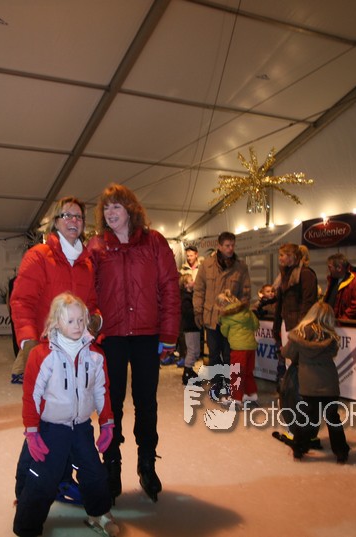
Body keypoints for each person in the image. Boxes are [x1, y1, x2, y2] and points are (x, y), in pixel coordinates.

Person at [87, 183, 180, 503]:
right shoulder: (97, 246)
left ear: (130, 209)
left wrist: (169, 334)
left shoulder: (154, 242)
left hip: (146, 335)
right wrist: (90, 329)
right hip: (110, 336)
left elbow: (169, 287)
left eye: (116, 206)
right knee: (110, 403)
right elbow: (88, 292)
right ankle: (111, 464)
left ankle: (147, 462)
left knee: (146, 402)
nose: (110, 213)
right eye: (106, 208)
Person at [13, 292, 119, 537]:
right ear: (56, 322)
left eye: (81, 320)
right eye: (70, 321)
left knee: (94, 472)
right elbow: (31, 396)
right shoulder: (42, 355)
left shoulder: (95, 355)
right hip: (51, 428)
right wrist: (32, 431)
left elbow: (102, 391)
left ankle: (99, 514)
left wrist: (107, 423)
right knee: (42, 477)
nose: (77, 326)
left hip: (81, 427)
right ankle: (27, 525)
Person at [9, 196, 100, 384]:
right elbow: (22, 302)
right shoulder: (38, 256)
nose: (74, 220)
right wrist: (29, 341)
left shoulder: (87, 264)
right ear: (56, 222)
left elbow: (90, 304)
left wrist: (95, 321)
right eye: (67, 215)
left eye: (79, 217)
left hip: (78, 352)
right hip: (46, 351)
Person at [280, 302, 350, 463]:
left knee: (307, 417)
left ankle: (299, 448)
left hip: (309, 383)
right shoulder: (330, 336)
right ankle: (341, 451)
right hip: (329, 383)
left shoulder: (299, 334)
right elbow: (333, 353)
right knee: (333, 418)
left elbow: (288, 352)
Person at [193, 231, 251, 401]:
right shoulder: (206, 265)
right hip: (211, 318)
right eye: (227, 245)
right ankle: (216, 385)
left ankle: (229, 386)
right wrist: (198, 311)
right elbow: (199, 290)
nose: (230, 248)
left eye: (232, 245)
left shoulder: (240, 267)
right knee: (213, 354)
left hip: (231, 320)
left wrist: (240, 312)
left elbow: (246, 293)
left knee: (229, 355)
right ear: (219, 246)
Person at [273, 243, 318, 390]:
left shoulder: (306, 274)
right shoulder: (284, 275)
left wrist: (301, 327)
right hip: (286, 323)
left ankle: (300, 391)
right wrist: (276, 325)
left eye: (282, 255)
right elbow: (280, 303)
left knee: (299, 360)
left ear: (292, 256)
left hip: (298, 325)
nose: (280, 258)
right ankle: (292, 391)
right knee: (288, 359)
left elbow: (308, 302)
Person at [216, 289, 259, 407]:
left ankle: (236, 399)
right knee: (248, 372)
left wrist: (222, 324)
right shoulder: (247, 311)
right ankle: (251, 394)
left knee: (236, 373)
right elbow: (256, 325)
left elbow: (224, 333)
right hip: (250, 347)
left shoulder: (226, 316)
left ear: (222, 305)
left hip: (238, 348)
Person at [322, 253, 356, 320]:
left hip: (348, 324)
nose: (328, 270)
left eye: (330, 267)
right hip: (332, 321)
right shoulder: (333, 280)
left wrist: (342, 320)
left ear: (339, 268)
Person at [179, 273, 202, 385]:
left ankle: (190, 369)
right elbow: (188, 313)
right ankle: (187, 372)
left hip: (195, 327)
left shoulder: (193, 296)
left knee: (196, 350)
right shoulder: (185, 298)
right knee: (192, 350)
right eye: (191, 280)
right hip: (189, 327)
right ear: (186, 284)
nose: (194, 281)